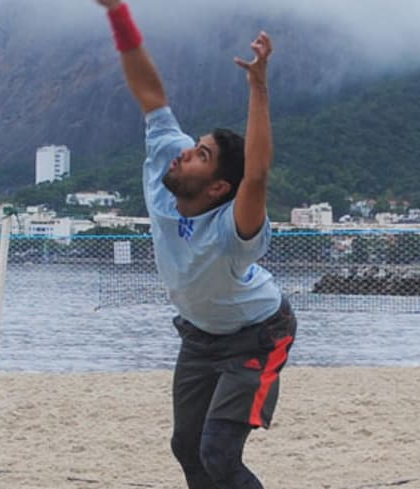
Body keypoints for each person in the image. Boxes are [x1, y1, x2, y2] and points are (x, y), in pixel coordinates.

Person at [95, 2, 297, 488]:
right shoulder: (166, 164)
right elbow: (150, 93)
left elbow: (258, 172)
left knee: (219, 453)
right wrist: (117, 11)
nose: (186, 152)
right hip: (199, 336)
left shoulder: (234, 227)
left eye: (201, 154)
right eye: (194, 146)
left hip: (258, 335)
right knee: (186, 447)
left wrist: (258, 86)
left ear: (218, 188)